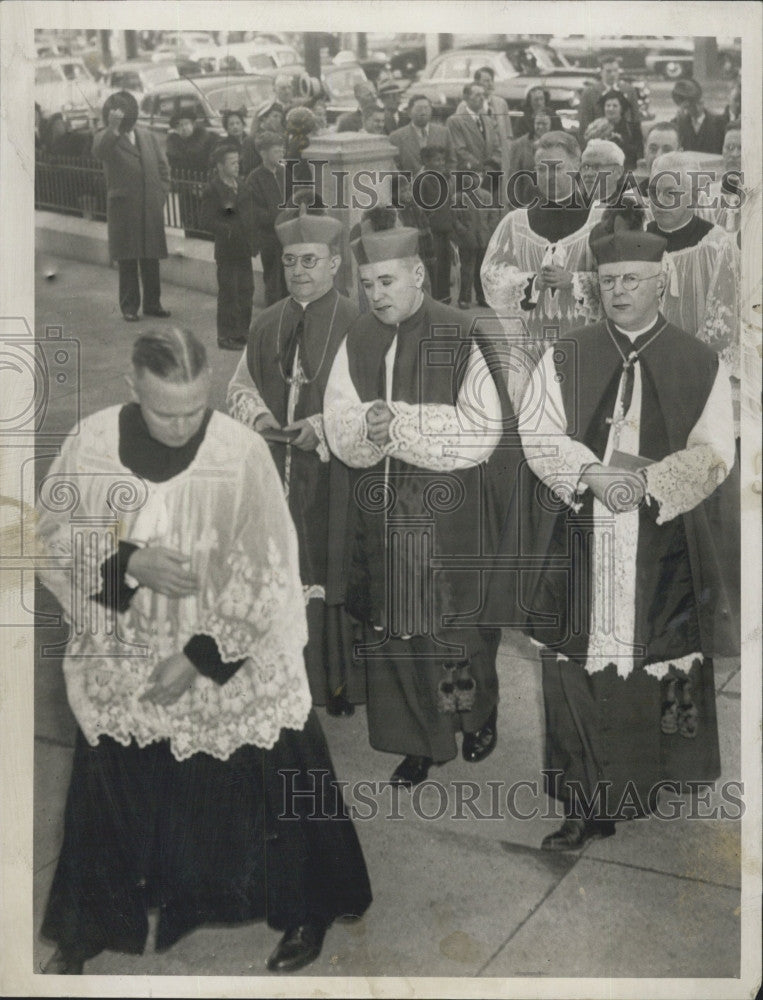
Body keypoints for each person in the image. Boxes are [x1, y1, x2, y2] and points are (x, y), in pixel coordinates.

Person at [36, 328, 372, 974]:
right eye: (166, 410)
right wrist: (128, 562)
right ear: (132, 387)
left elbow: (269, 565)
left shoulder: (240, 452)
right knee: (110, 779)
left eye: (196, 406)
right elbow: (48, 535)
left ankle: (312, 905)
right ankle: (86, 927)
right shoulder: (93, 442)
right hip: (128, 648)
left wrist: (199, 656)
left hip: (228, 649)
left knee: (279, 769)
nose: (184, 424)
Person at [505, 215, 738, 851]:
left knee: (652, 665)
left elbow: (716, 449)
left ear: (660, 284)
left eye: (633, 280)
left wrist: (651, 485)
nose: (620, 291)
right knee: (575, 664)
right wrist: (590, 473)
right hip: (579, 528)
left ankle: (640, 783)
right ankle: (582, 802)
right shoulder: (566, 354)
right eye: (609, 281)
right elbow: (538, 433)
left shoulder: (698, 361)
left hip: (658, 537)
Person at [323, 208, 507, 788]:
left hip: (450, 506)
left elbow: (484, 426)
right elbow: (338, 412)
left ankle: (475, 716)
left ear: (419, 276)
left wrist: (398, 423)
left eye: (389, 281)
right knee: (396, 627)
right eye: (369, 284)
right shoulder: (357, 336)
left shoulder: (459, 331)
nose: (377, 295)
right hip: (383, 510)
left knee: (455, 625)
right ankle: (418, 739)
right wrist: (363, 428)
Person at [227, 200, 363, 715]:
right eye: (290, 262)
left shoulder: (358, 321)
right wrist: (260, 418)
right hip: (275, 471)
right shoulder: (266, 322)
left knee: (330, 568)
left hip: (334, 474)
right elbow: (240, 384)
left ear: (334, 263)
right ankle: (283, 680)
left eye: (310, 261)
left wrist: (323, 427)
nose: (299, 272)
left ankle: (336, 683)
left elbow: (374, 401)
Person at [480, 130, 596, 407]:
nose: (549, 176)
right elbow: (491, 274)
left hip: (585, 345)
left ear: (577, 166)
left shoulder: (600, 218)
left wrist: (575, 281)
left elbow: (623, 279)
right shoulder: (516, 222)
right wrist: (531, 282)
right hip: (532, 347)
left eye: (557, 167)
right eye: (541, 169)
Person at [647, 151, 740, 427]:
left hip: (695, 383)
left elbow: (721, 327)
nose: (659, 201)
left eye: (671, 192)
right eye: (654, 190)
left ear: (695, 196)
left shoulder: (717, 246)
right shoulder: (635, 237)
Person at [92, 91, 171, 322]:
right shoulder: (106, 137)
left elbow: (163, 168)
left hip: (149, 207)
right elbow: (99, 151)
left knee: (151, 258)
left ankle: (153, 304)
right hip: (124, 209)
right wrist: (113, 128)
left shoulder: (146, 136)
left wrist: (160, 195)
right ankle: (129, 307)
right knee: (128, 260)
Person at [200, 141, 255, 350]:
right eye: (232, 163)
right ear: (220, 166)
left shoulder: (241, 184)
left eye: (237, 162)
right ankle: (226, 336)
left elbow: (248, 213)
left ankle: (242, 332)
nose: (237, 166)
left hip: (244, 248)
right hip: (227, 249)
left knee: (246, 290)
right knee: (229, 293)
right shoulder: (213, 189)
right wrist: (228, 228)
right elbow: (206, 220)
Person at [246, 129, 288, 305]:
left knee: (289, 277)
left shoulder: (284, 172)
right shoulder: (254, 179)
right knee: (273, 279)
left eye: (282, 149)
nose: (281, 153)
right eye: (276, 150)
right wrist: (278, 217)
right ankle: (273, 315)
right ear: (263, 153)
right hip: (269, 238)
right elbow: (254, 211)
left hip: (288, 235)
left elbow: (293, 197)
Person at [452, 67, 513, 180]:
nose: (490, 84)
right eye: (486, 81)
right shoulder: (464, 106)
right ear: (476, 83)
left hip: (500, 160)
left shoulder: (501, 103)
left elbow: (508, 134)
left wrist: (506, 157)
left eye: (491, 80)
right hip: (476, 165)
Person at [452, 170, 501, 309]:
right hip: (467, 240)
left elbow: (494, 214)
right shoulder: (458, 198)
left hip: (484, 238)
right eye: (469, 177)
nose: (473, 180)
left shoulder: (486, 196)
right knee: (467, 270)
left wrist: (490, 230)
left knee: (483, 270)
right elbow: (455, 219)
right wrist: (463, 231)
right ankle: (464, 298)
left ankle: (482, 297)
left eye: (476, 177)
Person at [416, 144, 456, 303]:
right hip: (433, 230)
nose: (440, 163)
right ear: (426, 161)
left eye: (442, 160)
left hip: (445, 227)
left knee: (446, 264)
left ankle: (445, 298)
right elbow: (421, 209)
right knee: (435, 267)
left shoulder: (443, 178)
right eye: (436, 160)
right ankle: (436, 299)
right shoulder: (422, 180)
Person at [577, 54, 640, 145]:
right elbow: (583, 125)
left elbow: (636, 120)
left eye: (615, 70)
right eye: (608, 71)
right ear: (601, 72)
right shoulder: (589, 93)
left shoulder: (629, 90)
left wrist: (638, 150)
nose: (613, 74)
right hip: (599, 144)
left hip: (626, 144)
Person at [389, 94, 455, 176]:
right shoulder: (396, 137)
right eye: (419, 109)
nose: (423, 112)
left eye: (427, 108)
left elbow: (452, 162)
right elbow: (393, 168)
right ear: (409, 112)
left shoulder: (444, 132)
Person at [446, 82, 502, 177]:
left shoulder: (488, 121)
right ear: (466, 98)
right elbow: (460, 150)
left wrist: (493, 164)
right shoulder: (455, 121)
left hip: (490, 174)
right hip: (467, 175)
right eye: (477, 95)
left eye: (483, 95)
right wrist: (481, 166)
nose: (482, 98)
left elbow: (496, 147)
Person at [506, 109, 552, 208]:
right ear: (533, 123)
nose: (541, 127)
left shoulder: (557, 145)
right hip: (525, 203)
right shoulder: (519, 145)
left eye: (544, 124)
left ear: (550, 124)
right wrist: (514, 204)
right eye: (538, 123)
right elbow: (513, 176)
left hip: (550, 204)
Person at [670, 79, 726, 156]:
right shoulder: (677, 123)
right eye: (683, 106)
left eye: (689, 105)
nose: (686, 110)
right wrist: (680, 121)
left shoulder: (719, 122)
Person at [598, 90, 642, 169]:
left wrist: (621, 143)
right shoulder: (596, 128)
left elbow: (639, 154)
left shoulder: (632, 129)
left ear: (621, 109)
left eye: (615, 106)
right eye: (608, 106)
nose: (611, 109)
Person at [165, 108, 216, 174]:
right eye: (179, 125)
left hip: (204, 178)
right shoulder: (173, 144)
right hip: (182, 179)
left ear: (193, 125)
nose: (184, 128)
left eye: (186, 124)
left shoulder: (206, 140)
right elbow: (173, 164)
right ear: (176, 129)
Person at [220, 107, 260, 176]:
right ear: (226, 128)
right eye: (231, 124)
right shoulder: (224, 145)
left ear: (243, 125)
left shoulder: (251, 141)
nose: (235, 127)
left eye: (238, 123)